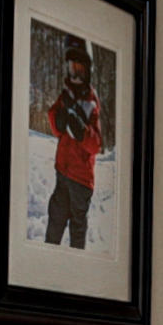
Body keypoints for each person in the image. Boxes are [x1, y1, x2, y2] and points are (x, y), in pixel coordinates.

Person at [44, 46, 102, 248]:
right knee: (56, 219)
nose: (75, 75)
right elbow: (55, 125)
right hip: (63, 172)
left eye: (80, 70)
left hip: (81, 180)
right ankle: (49, 257)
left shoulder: (91, 102)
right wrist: (57, 118)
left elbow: (96, 145)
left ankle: (75, 264)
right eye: (72, 69)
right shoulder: (66, 95)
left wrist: (82, 131)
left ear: (87, 72)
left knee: (77, 228)